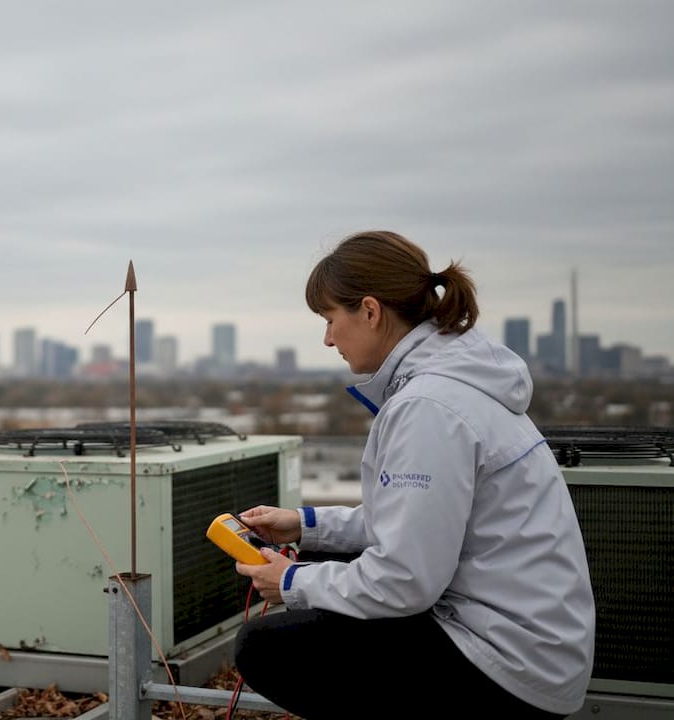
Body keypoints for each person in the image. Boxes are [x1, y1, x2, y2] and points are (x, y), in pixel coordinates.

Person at [232, 230, 595, 719]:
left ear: (369, 310)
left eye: (330, 319)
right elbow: (415, 522)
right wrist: (305, 525)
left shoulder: (429, 407)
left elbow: (405, 580)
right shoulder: (456, 384)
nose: (328, 338)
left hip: (508, 662)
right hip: (531, 642)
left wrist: (293, 581)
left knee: (266, 647)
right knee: (323, 574)